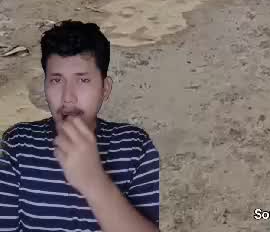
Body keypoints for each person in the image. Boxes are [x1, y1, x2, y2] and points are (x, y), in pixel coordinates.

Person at [0, 20, 160, 231]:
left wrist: (94, 182)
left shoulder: (135, 146)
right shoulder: (18, 144)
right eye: (56, 81)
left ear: (105, 88)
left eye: (83, 80)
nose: (68, 98)